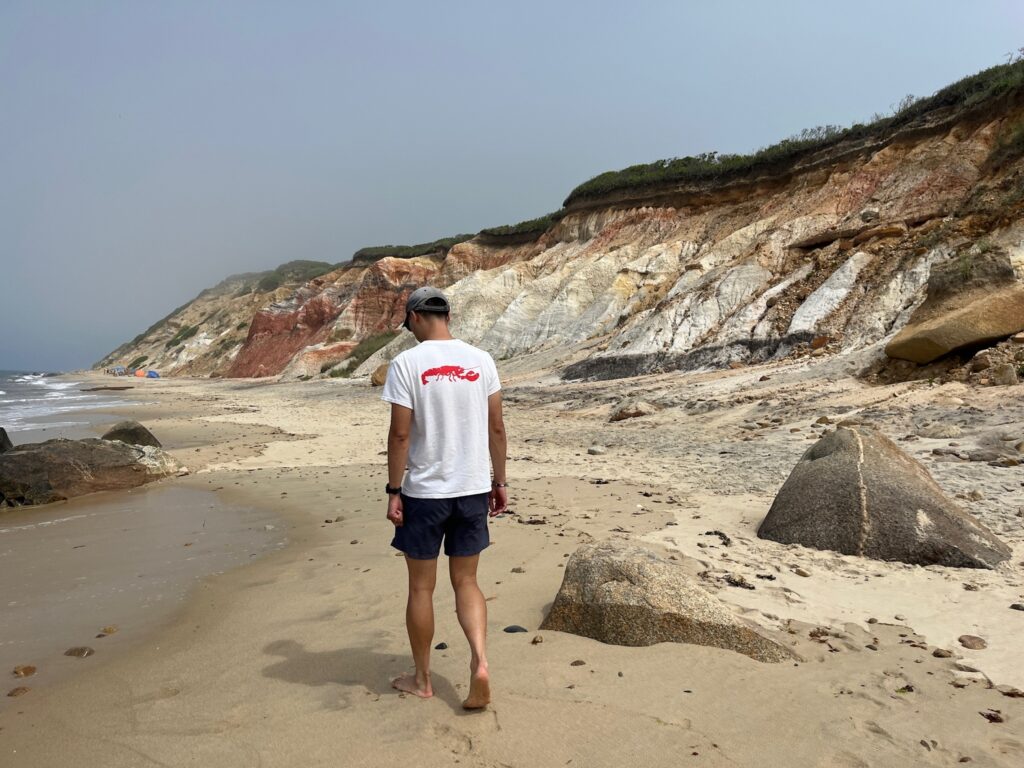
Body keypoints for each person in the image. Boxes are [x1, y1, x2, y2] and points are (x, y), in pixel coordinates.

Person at [381, 286, 508, 710]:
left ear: (416, 316)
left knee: (421, 586)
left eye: (409, 325)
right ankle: (481, 661)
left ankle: (422, 680)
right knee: (467, 581)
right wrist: (500, 481)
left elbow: (400, 433)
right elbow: (496, 428)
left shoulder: (406, 363)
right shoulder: (481, 359)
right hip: (472, 487)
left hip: (426, 493)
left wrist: (393, 490)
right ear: (447, 314)